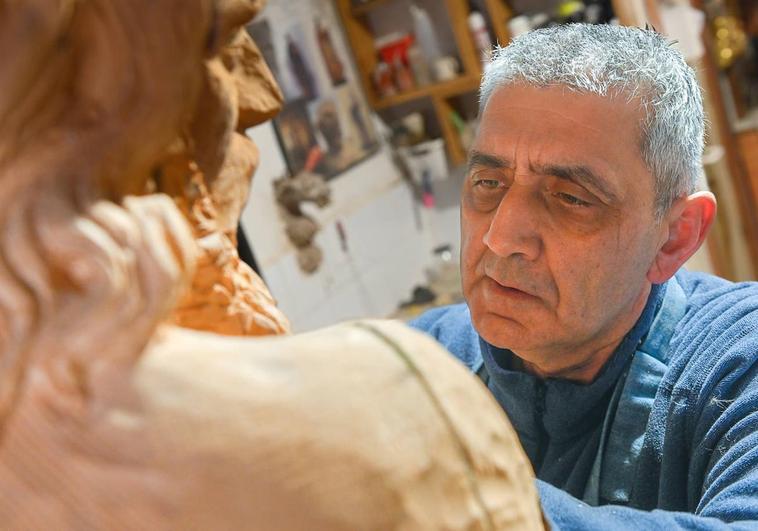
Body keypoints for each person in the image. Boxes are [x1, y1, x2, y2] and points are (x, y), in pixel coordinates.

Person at [411, 23, 758, 529]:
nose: (501, 238)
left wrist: (461, 496)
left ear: (674, 237)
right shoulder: (422, 363)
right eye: (488, 182)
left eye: (571, 198)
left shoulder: (735, 364)